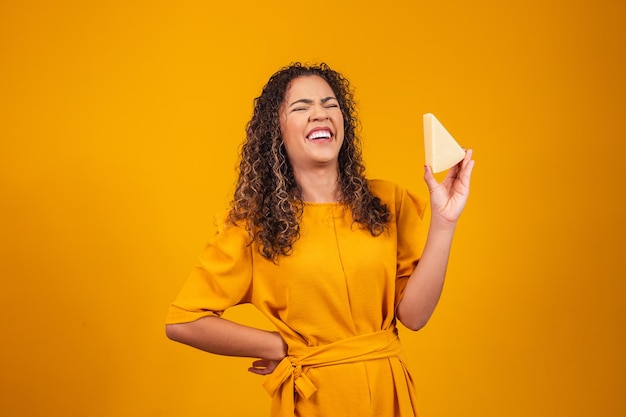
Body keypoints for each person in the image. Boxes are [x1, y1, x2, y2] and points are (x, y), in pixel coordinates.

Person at [165, 62, 475, 417]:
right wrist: (280, 346)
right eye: (301, 107)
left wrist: (445, 221)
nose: (320, 114)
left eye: (330, 105)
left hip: (387, 396)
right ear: (276, 131)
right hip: (313, 402)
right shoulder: (252, 227)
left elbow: (415, 316)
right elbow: (183, 320)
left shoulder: (388, 202)